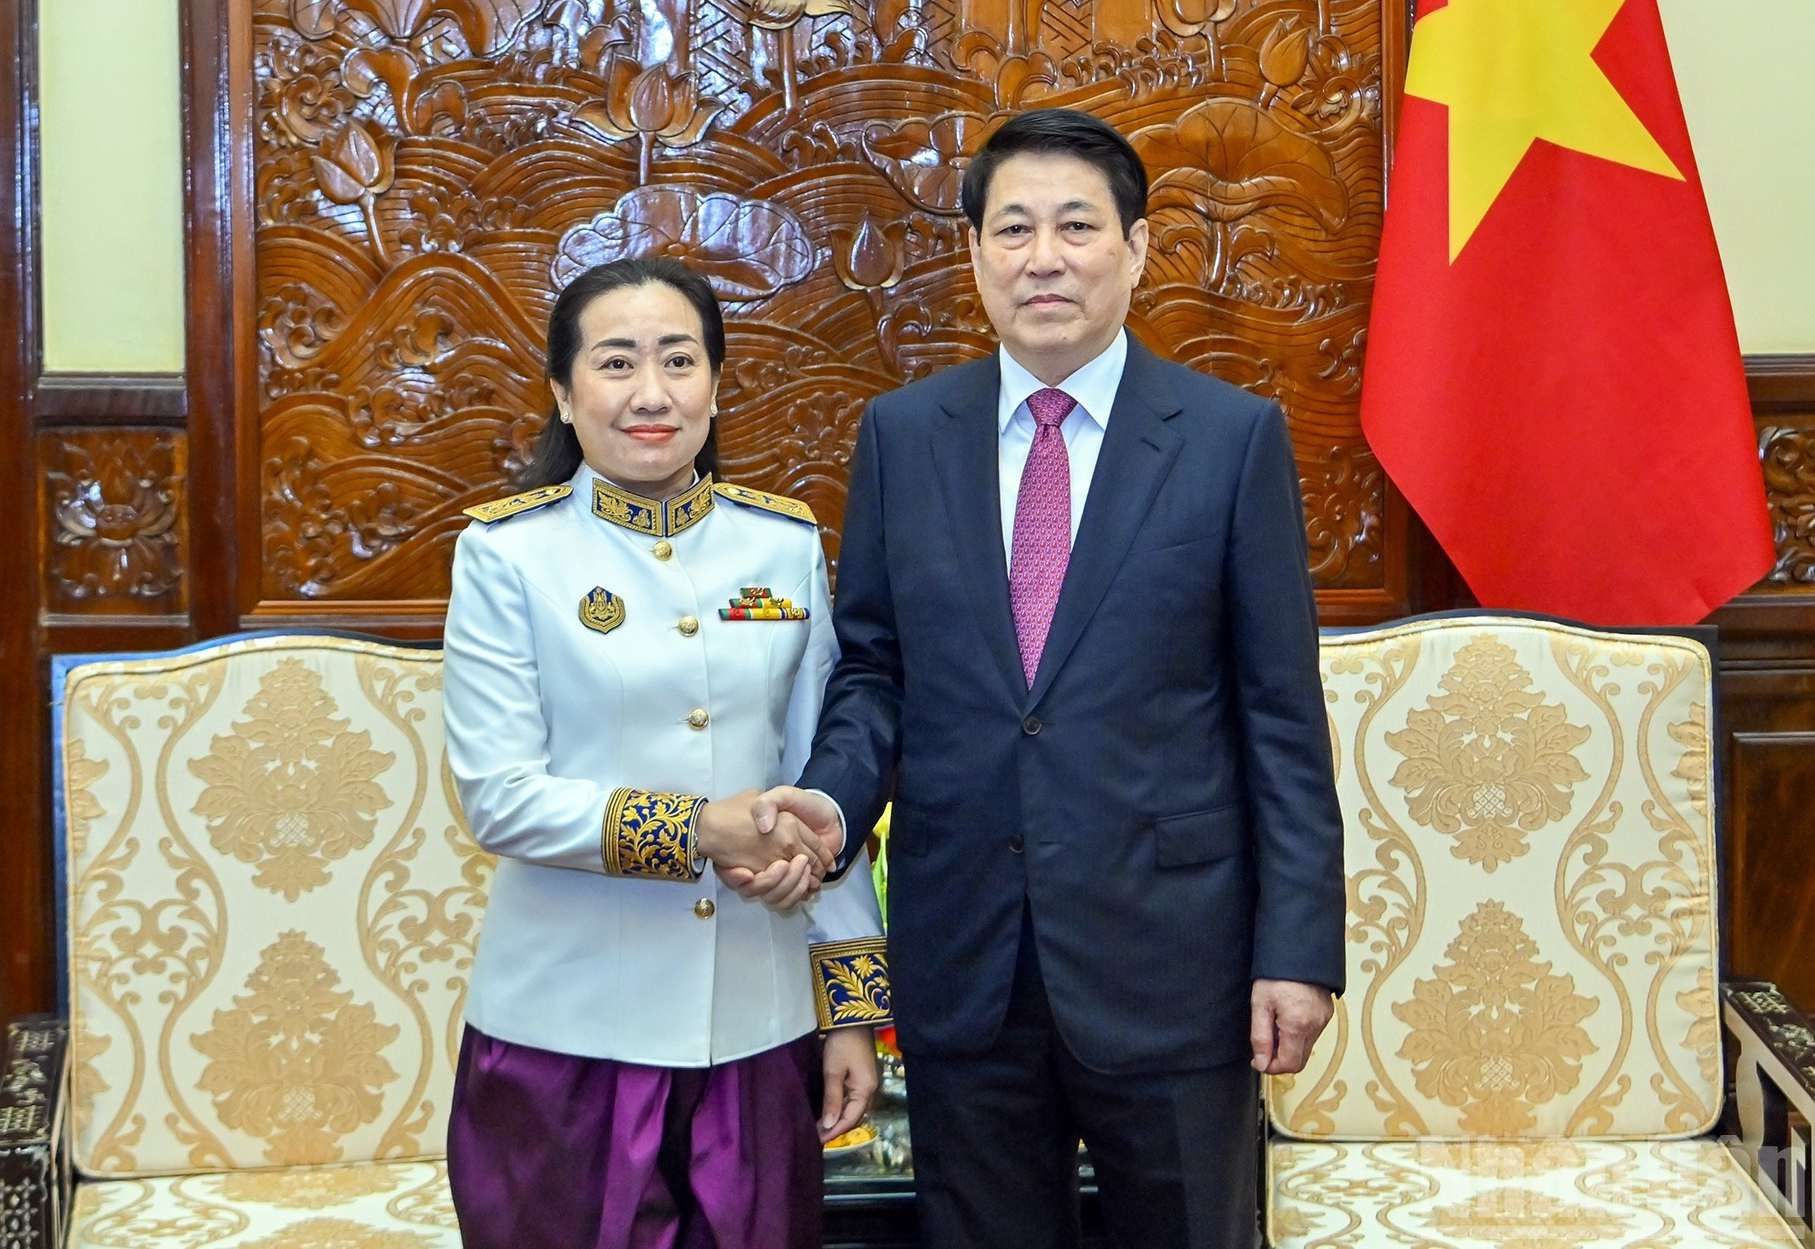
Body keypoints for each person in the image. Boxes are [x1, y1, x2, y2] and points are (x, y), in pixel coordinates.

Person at [739, 109, 1346, 1247]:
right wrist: (829, 801)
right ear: (973, 252)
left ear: (1138, 246)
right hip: (968, 954)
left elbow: (1280, 717)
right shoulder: (903, 434)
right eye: (1012, 227)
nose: (1044, 256)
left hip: (1175, 956)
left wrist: (1298, 951)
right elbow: (873, 671)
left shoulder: (1229, 438)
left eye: (1077, 224)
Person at [441, 256, 889, 1249]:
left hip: (758, 1026)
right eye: (615, 362)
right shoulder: (509, 555)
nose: (651, 392)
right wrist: (699, 826)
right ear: (563, 390)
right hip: (566, 1036)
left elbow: (827, 788)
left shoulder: (779, 547)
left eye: (679, 359)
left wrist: (850, 1007)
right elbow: (499, 795)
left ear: (717, 382)